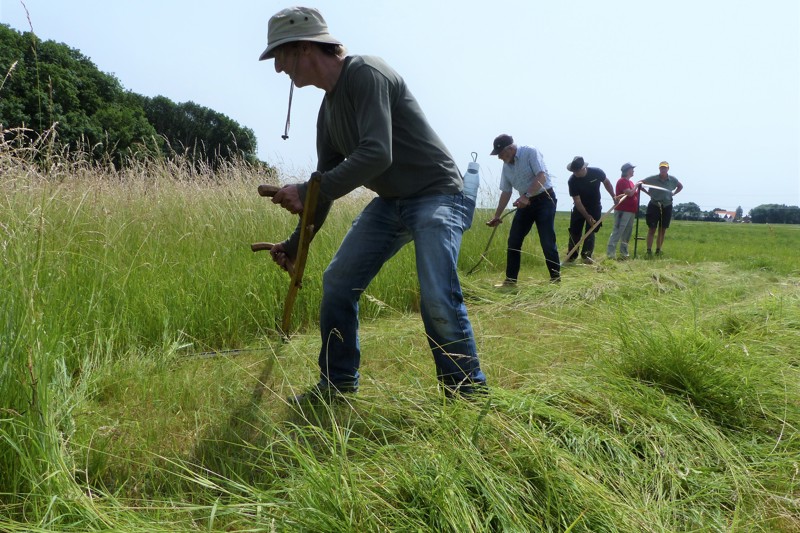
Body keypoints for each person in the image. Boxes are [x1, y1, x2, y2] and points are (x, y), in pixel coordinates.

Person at [259, 6, 487, 403]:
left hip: (438, 194)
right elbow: (322, 188)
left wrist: (308, 187)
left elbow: (377, 153)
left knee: (436, 295)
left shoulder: (366, 72)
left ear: (304, 49)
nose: (278, 69)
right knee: (337, 283)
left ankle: (467, 394)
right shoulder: (328, 113)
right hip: (392, 202)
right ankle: (338, 383)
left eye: (280, 55)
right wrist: (297, 244)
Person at [486, 134, 560, 284]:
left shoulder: (530, 152)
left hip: (544, 199)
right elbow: (506, 192)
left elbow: (542, 176)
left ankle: (555, 279)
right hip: (525, 203)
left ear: (511, 148)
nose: (499, 157)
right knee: (514, 240)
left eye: (500, 154)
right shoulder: (506, 167)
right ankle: (510, 280)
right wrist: (497, 215)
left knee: (547, 240)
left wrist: (526, 196)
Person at [564, 156, 616, 264]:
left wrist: (613, 196)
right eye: (573, 171)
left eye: (576, 171)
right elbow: (577, 201)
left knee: (591, 230)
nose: (575, 173)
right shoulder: (572, 181)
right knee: (575, 231)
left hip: (595, 207)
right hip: (579, 208)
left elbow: (607, 182)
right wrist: (587, 216)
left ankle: (587, 256)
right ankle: (571, 256)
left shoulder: (597, 172)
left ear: (583, 168)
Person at [640, 161, 683, 257]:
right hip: (654, 205)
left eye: (665, 168)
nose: (663, 169)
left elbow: (680, 186)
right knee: (652, 228)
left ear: (668, 169)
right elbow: (640, 183)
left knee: (662, 229)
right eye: (661, 168)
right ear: (659, 169)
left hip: (667, 206)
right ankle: (648, 250)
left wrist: (674, 193)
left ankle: (658, 250)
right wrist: (647, 193)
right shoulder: (652, 178)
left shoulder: (673, 179)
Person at [606, 162, 640, 260]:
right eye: (632, 169)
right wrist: (637, 185)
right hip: (622, 210)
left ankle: (624, 254)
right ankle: (610, 254)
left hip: (631, 211)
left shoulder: (631, 182)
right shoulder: (622, 181)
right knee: (618, 231)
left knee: (627, 233)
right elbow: (629, 193)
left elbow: (634, 194)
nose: (633, 171)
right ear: (627, 171)